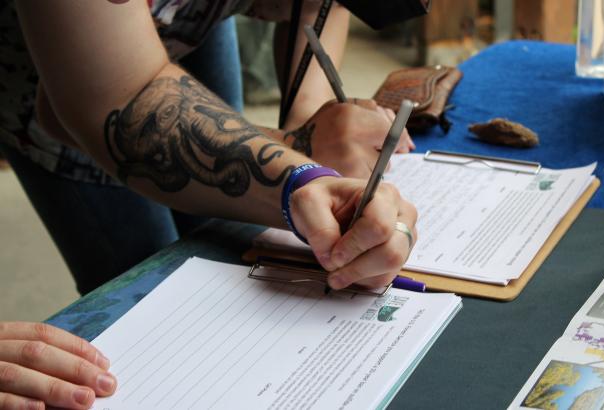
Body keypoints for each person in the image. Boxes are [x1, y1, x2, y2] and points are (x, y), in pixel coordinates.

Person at [0, 1, 418, 408]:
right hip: (60, 74)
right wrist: (299, 159)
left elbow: (318, 7)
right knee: (147, 311)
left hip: (190, 23)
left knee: (223, 240)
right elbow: (113, 103)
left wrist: (309, 119)